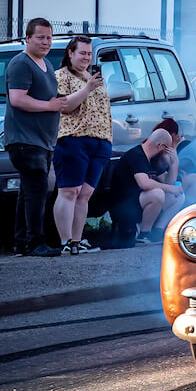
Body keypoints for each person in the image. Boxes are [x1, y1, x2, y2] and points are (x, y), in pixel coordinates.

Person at [5, 18, 68, 257]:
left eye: (49, 37)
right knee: (37, 190)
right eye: (40, 37)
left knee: (29, 192)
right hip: (25, 140)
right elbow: (17, 99)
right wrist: (50, 106)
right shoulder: (21, 64)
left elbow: (53, 101)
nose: (45, 42)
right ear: (28, 38)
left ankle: (22, 242)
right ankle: (35, 243)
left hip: (43, 141)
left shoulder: (46, 64)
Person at [51, 36, 112, 256]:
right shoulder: (61, 76)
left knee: (85, 194)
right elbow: (64, 106)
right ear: (70, 53)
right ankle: (65, 241)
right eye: (82, 53)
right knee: (69, 190)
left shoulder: (92, 77)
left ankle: (77, 240)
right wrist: (87, 88)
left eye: (89, 53)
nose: (86, 57)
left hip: (100, 141)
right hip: (73, 139)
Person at [109, 127, 184, 246]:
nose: (167, 152)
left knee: (178, 196)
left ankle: (157, 232)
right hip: (123, 206)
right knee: (157, 194)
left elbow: (168, 183)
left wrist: (174, 163)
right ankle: (144, 234)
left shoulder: (151, 158)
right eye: (167, 149)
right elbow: (144, 183)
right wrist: (170, 188)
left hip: (138, 202)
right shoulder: (137, 155)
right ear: (160, 146)